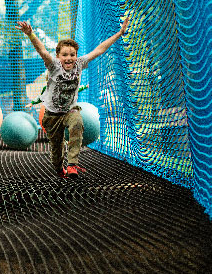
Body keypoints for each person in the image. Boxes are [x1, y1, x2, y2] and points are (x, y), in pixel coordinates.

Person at [16, 17, 129, 179]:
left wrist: (119, 33)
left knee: (77, 123)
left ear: (76, 55)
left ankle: (72, 164)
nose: (68, 58)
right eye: (64, 55)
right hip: (52, 115)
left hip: (69, 110)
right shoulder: (53, 65)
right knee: (56, 149)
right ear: (58, 55)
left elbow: (99, 50)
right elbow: (42, 51)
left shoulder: (80, 64)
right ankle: (59, 168)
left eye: (72, 54)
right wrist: (31, 34)